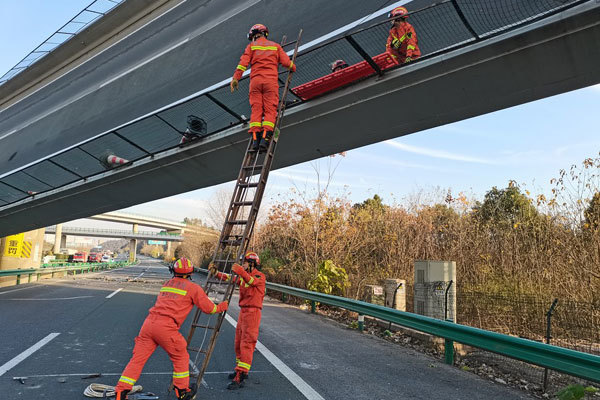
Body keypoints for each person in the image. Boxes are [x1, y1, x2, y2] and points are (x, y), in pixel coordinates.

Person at [114, 258, 228, 400]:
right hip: (166, 328)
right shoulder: (193, 288)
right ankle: (182, 391)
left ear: (174, 270)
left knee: (137, 360)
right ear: (191, 273)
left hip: (148, 325)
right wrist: (223, 306)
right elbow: (209, 309)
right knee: (180, 356)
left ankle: (120, 392)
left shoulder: (167, 284)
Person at [231, 24, 296, 151]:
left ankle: (255, 139)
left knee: (256, 110)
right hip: (270, 82)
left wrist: (235, 79)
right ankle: (265, 139)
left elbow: (242, 65)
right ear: (265, 33)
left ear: (253, 36)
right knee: (270, 110)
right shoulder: (275, 46)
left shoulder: (251, 46)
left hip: (255, 82)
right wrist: (293, 67)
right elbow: (286, 63)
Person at [209, 251, 266, 390]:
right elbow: (231, 279)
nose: (242, 265)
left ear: (252, 264)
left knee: (247, 343)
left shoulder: (259, 276)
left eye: (244, 262)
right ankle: (240, 370)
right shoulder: (243, 276)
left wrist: (241, 272)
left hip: (253, 313)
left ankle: (240, 376)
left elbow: (252, 281)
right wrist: (216, 273)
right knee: (238, 343)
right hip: (244, 312)